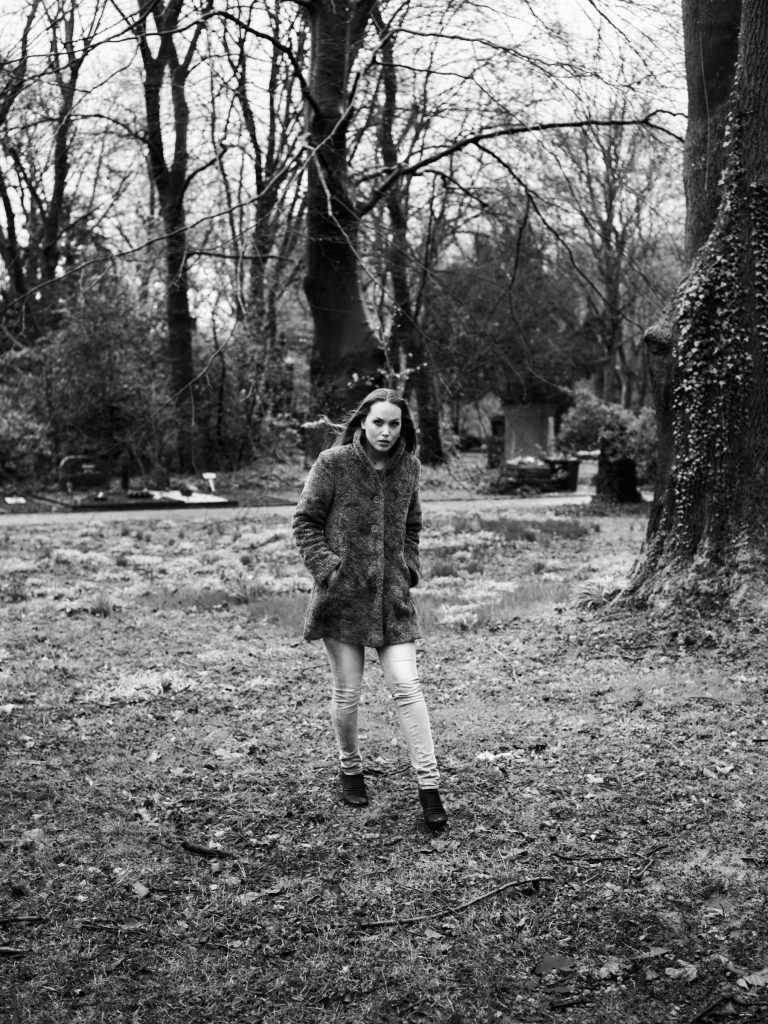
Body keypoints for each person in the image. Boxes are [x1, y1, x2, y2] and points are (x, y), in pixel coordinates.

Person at [292, 388, 448, 830]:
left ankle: (430, 787)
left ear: (403, 427)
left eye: (394, 424)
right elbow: (305, 521)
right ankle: (350, 768)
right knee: (347, 693)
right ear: (363, 422)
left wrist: (408, 568)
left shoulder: (409, 468)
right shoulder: (333, 463)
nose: (385, 431)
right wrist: (329, 569)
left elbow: (412, 526)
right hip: (343, 599)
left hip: (393, 600)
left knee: (407, 686)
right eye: (378, 422)